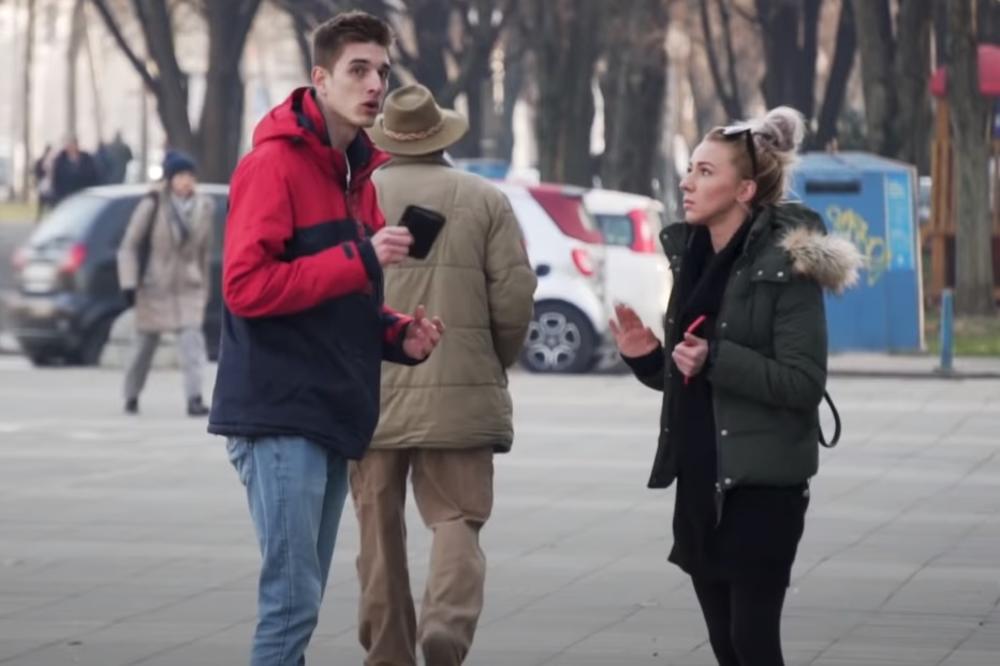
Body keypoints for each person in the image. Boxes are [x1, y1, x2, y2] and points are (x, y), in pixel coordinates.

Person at [207, 12, 445, 666]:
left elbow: (342, 297)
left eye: (382, 72)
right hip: (279, 411)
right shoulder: (272, 166)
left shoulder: (354, 173)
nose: (374, 85)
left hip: (330, 413)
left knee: (300, 602)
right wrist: (364, 258)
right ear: (320, 78)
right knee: (291, 602)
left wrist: (401, 336)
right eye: (358, 70)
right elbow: (247, 289)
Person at [610, 107, 861, 666]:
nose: (686, 181)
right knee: (726, 646)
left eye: (704, 171)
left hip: (760, 487)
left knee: (752, 644)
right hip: (701, 482)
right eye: (690, 169)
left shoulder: (787, 265)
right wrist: (649, 359)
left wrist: (717, 358)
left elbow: (802, 382)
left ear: (744, 188)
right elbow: (691, 377)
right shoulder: (692, 255)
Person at [354, 84, 536, 666]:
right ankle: (445, 630)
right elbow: (515, 295)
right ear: (441, 137)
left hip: (370, 394)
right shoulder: (484, 199)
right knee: (457, 517)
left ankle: (388, 653)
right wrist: (492, 359)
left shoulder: (355, 195)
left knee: (378, 534)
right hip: (460, 390)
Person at [117, 150, 214, 417]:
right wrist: (128, 284)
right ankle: (131, 395)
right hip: (154, 286)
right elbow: (129, 246)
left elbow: (204, 252)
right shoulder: (152, 204)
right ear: (170, 178)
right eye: (181, 175)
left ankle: (194, 398)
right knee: (143, 348)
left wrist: (205, 288)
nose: (186, 181)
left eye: (191, 176)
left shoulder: (204, 207)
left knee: (192, 345)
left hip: (188, 287)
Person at [51, 137, 101, 203]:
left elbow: (94, 175)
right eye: (69, 145)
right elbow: (56, 180)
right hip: (67, 197)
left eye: (73, 144)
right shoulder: (60, 161)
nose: (71, 147)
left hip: (85, 195)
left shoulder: (86, 158)